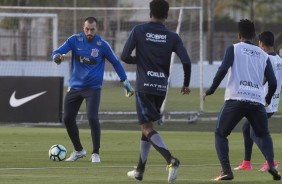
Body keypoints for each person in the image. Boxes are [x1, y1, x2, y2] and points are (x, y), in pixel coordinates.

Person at [121, 0, 191, 183]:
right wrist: (186, 83)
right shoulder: (173, 37)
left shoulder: (139, 30)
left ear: (150, 12)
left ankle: (171, 160)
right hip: (161, 88)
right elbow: (187, 61)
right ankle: (139, 170)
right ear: (166, 15)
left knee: (146, 127)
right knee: (146, 127)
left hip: (144, 87)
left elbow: (124, 56)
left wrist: (142, 59)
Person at [203, 19, 281, 181]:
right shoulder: (263, 55)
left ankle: (226, 170)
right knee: (263, 134)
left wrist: (211, 90)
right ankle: (272, 166)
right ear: (254, 36)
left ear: (239, 35)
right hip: (257, 102)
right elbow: (272, 82)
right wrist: (266, 99)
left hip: (236, 99)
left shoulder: (234, 48)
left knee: (220, 133)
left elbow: (223, 69)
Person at [51, 17, 134, 163]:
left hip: (93, 89)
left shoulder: (102, 45)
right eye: (87, 29)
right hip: (75, 87)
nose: (89, 32)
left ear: (97, 29)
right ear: (83, 28)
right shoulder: (74, 40)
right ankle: (78, 150)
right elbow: (57, 52)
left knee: (92, 117)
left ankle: (95, 153)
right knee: (67, 118)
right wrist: (57, 57)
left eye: (92, 29)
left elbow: (115, 62)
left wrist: (125, 80)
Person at [234, 31, 282, 172]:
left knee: (255, 132)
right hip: (273, 102)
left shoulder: (265, 59)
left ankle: (271, 161)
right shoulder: (279, 60)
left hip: (263, 103)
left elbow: (264, 80)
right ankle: (246, 162)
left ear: (261, 43)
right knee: (246, 129)